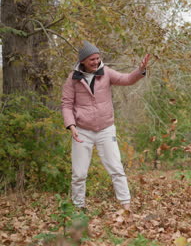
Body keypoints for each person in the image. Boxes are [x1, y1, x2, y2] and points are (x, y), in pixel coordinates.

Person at [61, 40, 150, 211]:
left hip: (105, 129)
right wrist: (71, 126)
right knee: (79, 174)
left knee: (116, 168)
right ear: (82, 61)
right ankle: (78, 208)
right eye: (91, 59)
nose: (95, 62)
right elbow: (66, 104)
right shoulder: (73, 78)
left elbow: (127, 79)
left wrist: (140, 71)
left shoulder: (106, 72)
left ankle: (126, 205)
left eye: (97, 58)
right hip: (81, 130)